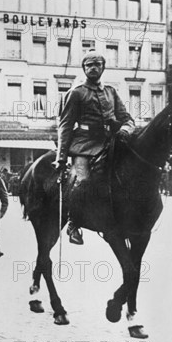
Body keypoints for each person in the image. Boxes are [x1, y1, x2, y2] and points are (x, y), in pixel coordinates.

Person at [56, 51, 135, 245]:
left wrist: (125, 129)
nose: (93, 68)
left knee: (130, 174)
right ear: (83, 69)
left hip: (110, 142)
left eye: (97, 64)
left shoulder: (111, 92)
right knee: (81, 181)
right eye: (89, 65)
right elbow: (65, 126)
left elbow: (128, 119)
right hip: (84, 144)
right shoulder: (76, 93)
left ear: (103, 67)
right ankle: (74, 223)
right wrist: (61, 156)